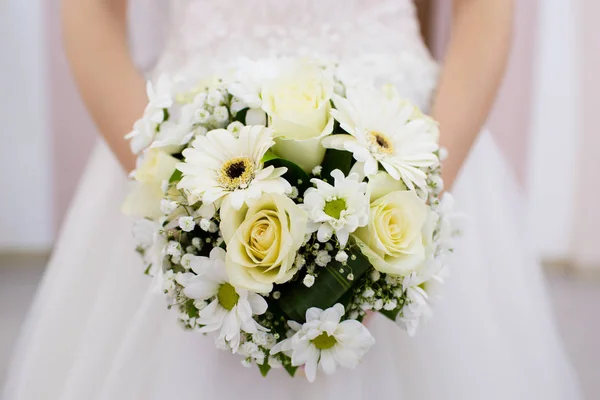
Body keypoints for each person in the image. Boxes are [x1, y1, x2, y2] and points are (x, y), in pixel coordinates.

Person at [3, 1, 582, 399]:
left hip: (407, 143)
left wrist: (415, 197)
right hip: (185, 152)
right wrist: (179, 203)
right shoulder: (180, 190)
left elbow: (485, 10)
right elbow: (91, 12)